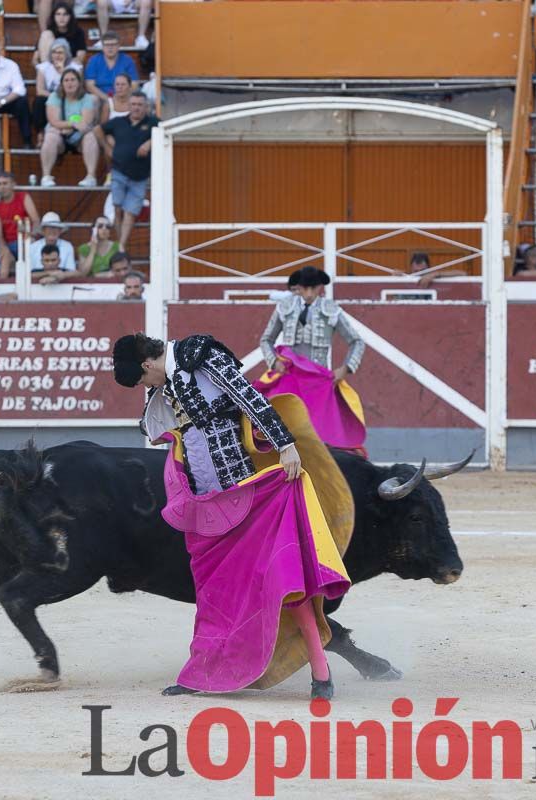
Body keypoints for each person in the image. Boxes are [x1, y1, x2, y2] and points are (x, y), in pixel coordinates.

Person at [111, 332, 349, 700]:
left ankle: (321, 671)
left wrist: (285, 445)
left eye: (143, 379)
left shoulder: (200, 356)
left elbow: (249, 397)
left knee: (282, 578)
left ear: (146, 365)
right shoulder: (169, 383)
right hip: (203, 500)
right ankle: (203, 673)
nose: (146, 386)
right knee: (211, 590)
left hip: (242, 494)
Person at [257, 265, 366, 452]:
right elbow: (266, 340)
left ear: (319, 288)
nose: (308, 293)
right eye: (304, 288)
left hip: (318, 382)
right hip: (289, 376)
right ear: (298, 287)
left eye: (312, 288)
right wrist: (274, 362)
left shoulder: (331, 310)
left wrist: (346, 368)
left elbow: (357, 342)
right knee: (279, 426)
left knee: (319, 433)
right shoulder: (285, 307)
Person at [101, 92, 157, 253]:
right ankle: (121, 243)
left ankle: (122, 245)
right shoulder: (118, 122)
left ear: (146, 107)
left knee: (130, 212)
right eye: (133, 104)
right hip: (118, 172)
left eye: (140, 104)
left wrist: (149, 142)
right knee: (117, 208)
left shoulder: (153, 122)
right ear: (129, 106)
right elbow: (99, 130)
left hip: (140, 176)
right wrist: (107, 147)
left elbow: (166, 131)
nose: (136, 107)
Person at [40, 69, 99, 187]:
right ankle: (46, 176)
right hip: (60, 137)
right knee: (51, 135)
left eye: (73, 80)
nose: (69, 83)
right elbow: (53, 121)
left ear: (79, 83)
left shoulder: (87, 98)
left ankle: (91, 176)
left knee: (91, 136)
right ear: (62, 83)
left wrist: (67, 127)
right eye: (66, 80)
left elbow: (86, 122)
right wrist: (72, 124)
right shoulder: (54, 97)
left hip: (79, 138)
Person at [33, 39, 77, 146]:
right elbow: (40, 90)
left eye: (60, 52)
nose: (57, 55)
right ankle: (41, 133)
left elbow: (76, 88)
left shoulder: (75, 68)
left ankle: (69, 132)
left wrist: (63, 72)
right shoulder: (43, 67)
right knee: (39, 101)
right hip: (51, 98)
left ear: (66, 54)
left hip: (70, 97)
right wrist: (55, 97)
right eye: (54, 52)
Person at [0, 171, 39, 257]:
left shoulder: (24, 197)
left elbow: (36, 221)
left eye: (5, 183)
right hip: (9, 245)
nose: (2, 187)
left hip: (27, 240)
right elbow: (0, 236)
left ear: (13, 184)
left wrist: (31, 235)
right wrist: (6, 252)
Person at [84, 31, 137, 105]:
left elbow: (134, 84)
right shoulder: (94, 60)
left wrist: (120, 98)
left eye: (113, 44)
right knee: (93, 100)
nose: (110, 47)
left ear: (118, 46)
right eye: (107, 45)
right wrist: (107, 99)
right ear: (102, 47)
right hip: (100, 97)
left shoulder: (128, 60)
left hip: (123, 97)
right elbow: (89, 85)